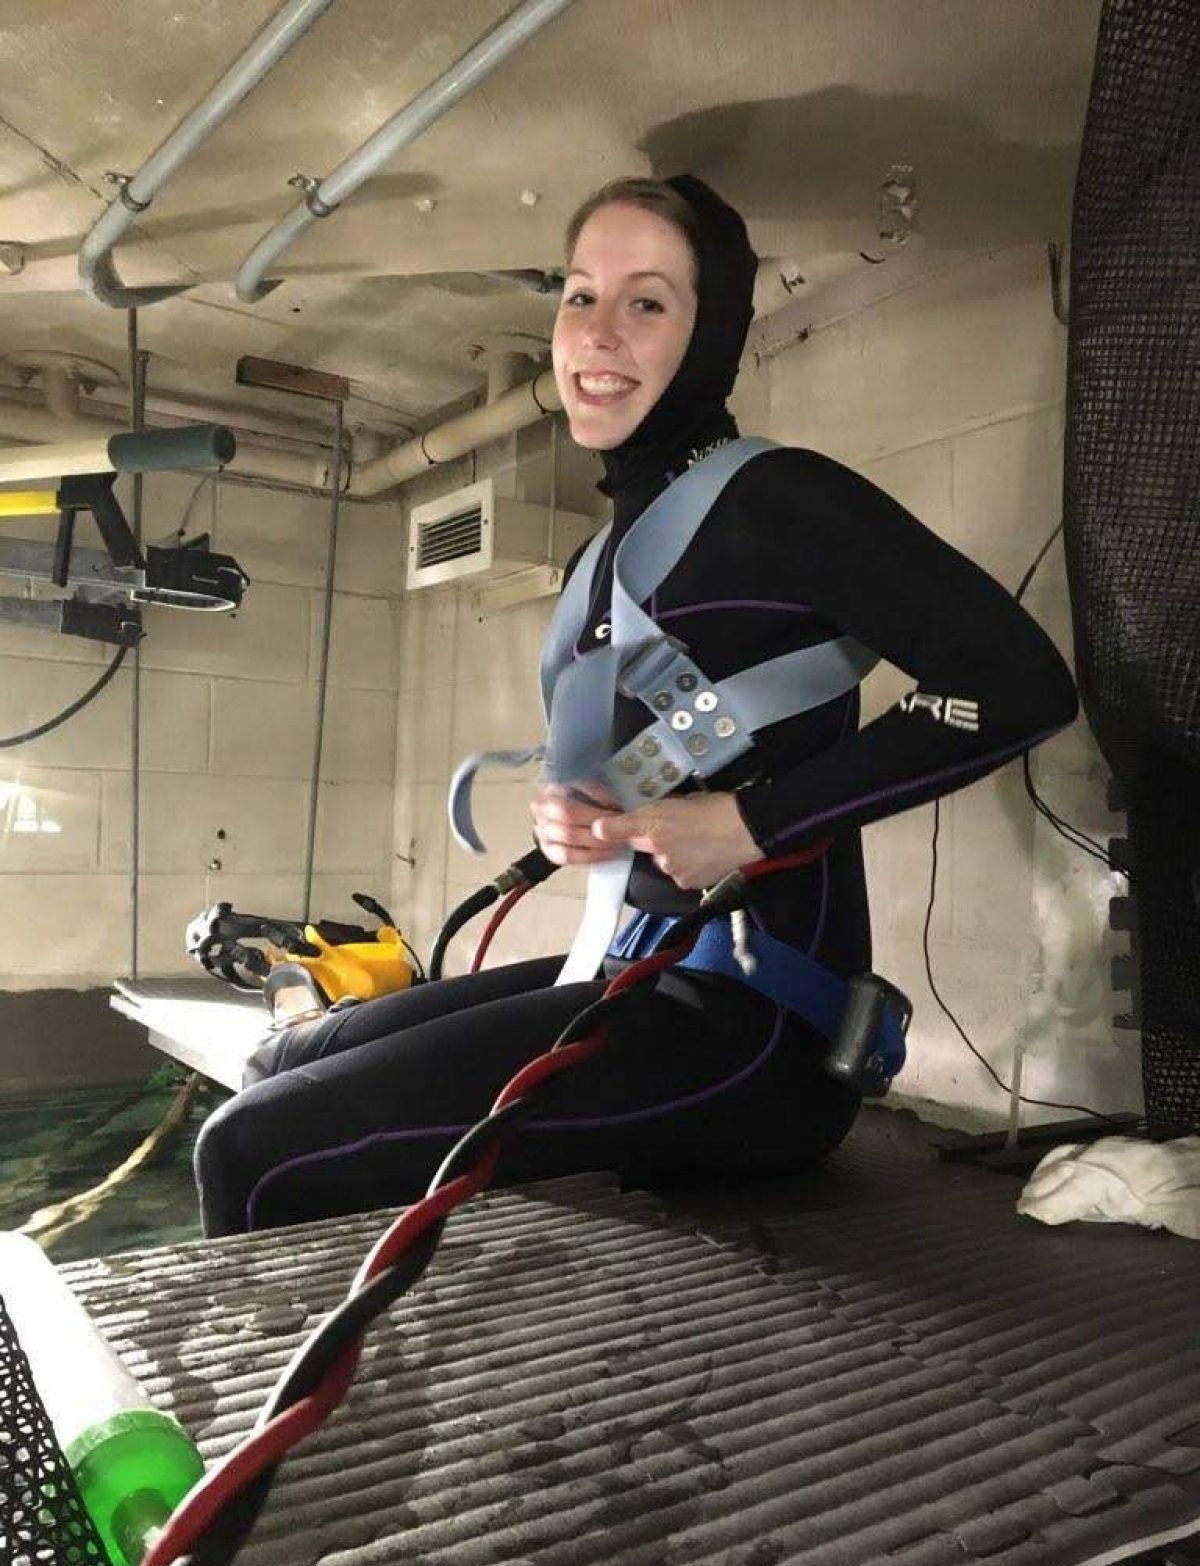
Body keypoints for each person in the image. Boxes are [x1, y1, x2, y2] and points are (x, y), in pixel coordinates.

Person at [192, 175, 1078, 1238]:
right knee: (278, 1055)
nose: (597, 334)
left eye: (646, 302)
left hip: (757, 1032)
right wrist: (580, 814)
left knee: (246, 1148)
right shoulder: (600, 558)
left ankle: (292, 1398)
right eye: (578, 297)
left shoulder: (778, 500)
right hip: (633, 968)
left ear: (711, 336)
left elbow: (1019, 685)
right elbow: (678, 754)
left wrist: (753, 823)